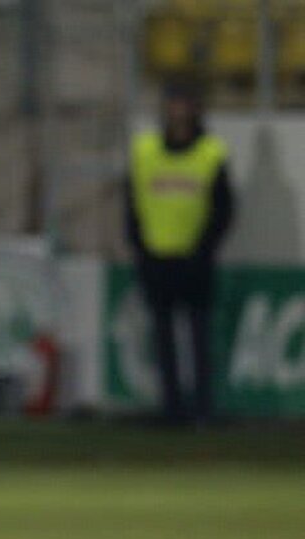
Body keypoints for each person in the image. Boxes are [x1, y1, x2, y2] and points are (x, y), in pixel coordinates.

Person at [125, 80, 234, 425]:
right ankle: (171, 408)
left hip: (196, 259)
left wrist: (205, 249)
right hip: (156, 257)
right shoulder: (144, 150)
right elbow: (131, 205)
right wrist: (140, 249)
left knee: (199, 336)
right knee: (163, 338)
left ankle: (203, 407)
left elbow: (223, 209)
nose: (179, 110)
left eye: (185, 102)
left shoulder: (211, 152)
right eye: (174, 102)